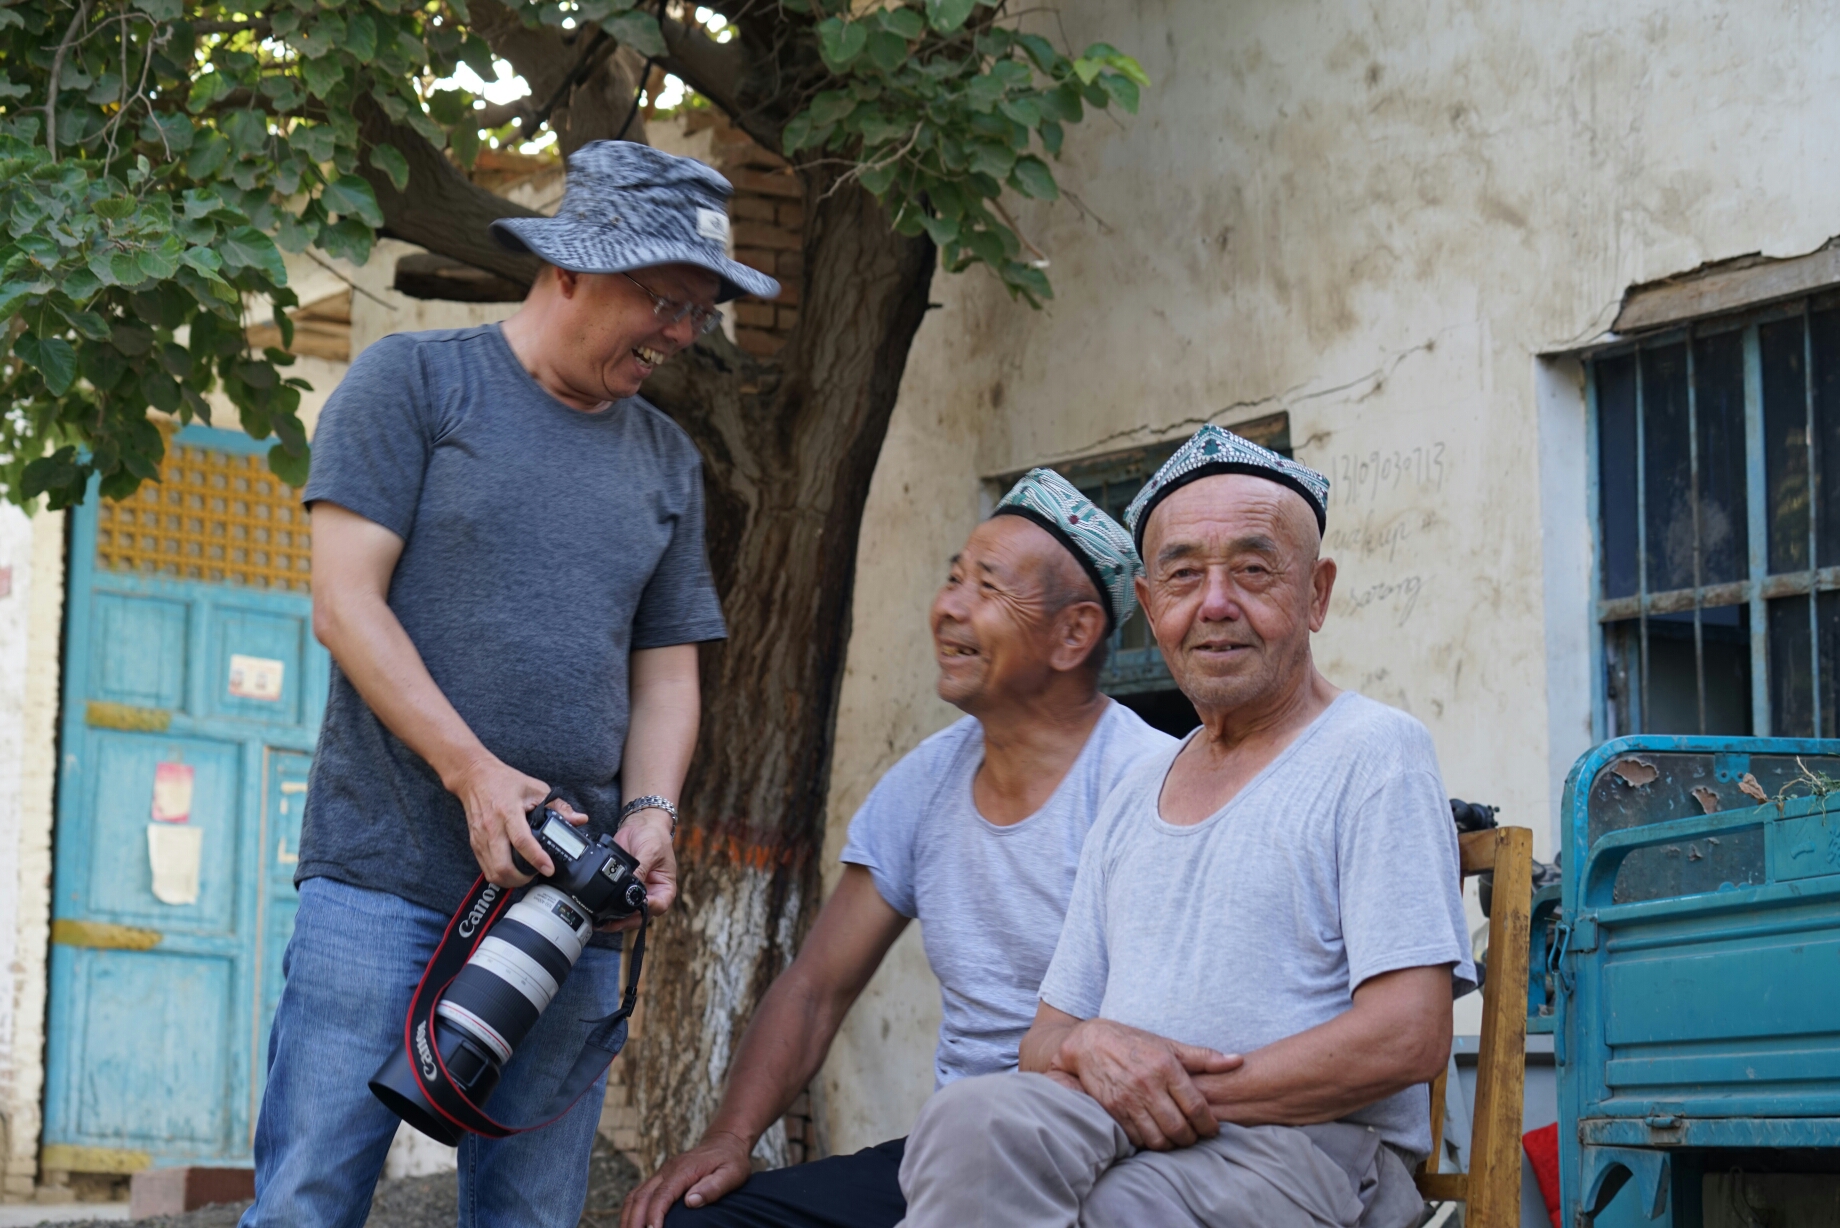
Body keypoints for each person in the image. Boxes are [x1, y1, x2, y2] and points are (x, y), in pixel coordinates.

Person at [240, 141, 779, 1228]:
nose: (683, 333)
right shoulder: (413, 382)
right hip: (383, 876)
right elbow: (345, 604)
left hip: (566, 909)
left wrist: (652, 811)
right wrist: (475, 775)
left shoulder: (667, 461)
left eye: (701, 310)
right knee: (307, 1203)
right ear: (571, 268)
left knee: (530, 1218)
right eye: (667, 300)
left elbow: (666, 670)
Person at [893, 426, 1475, 1228]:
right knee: (965, 1123)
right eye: (1183, 576)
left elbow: (1408, 1037)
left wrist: (1165, 1095)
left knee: (1111, 1211)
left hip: (1307, 1152)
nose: (1215, 604)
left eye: (1253, 571)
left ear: (1316, 594)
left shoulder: (1374, 752)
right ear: (1149, 606)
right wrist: (1087, 1049)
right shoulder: (1136, 789)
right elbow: (1044, 1039)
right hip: (1126, 1131)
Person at [622, 469, 1176, 1228]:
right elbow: (816, 987)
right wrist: (730, 1137)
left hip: (1106, 1154)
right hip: (955, 1150)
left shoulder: (1150, 786)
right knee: (693, 1223)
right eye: (953, 578)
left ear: (1074, 634)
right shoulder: (924, 782)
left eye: (987, 588)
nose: (949, 607)